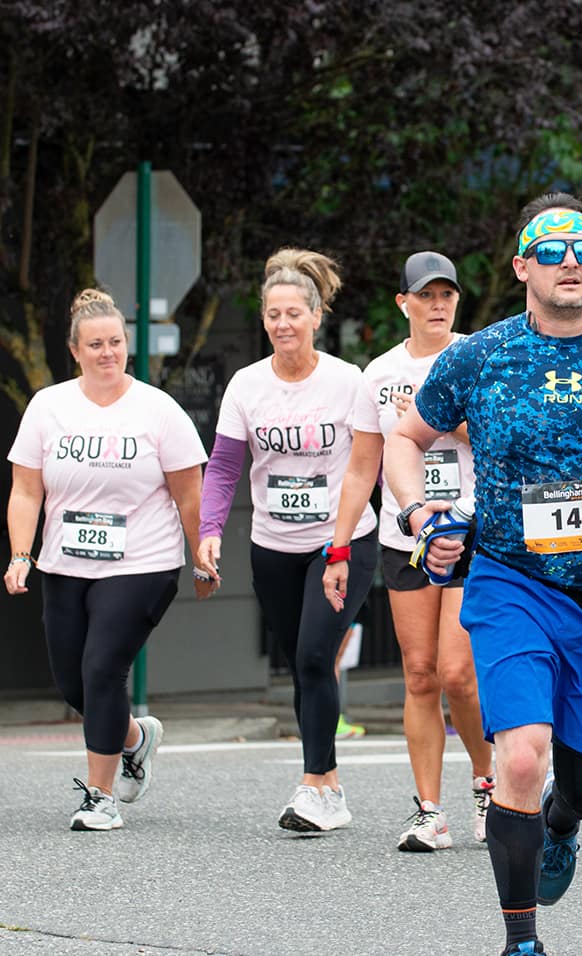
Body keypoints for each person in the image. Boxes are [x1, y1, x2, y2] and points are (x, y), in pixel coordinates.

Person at [383, 194, 582, 956]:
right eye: (551, 247)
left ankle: (563, 824)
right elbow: (406, 438)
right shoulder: (480, 356)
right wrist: (420, 515)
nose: (569, 260)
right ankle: (521, 941)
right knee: (521, 754)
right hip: (510, 581)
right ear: (523, 264)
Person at [5, 289, 206, 831]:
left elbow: (191, 494)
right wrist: (21, 554)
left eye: (115, 342)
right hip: (66, 563)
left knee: (101, 669)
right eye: (95, 344)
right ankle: (137, 739)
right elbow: (26, 491)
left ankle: (100, 796)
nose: (107, 353)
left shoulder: (157, 410)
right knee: (75, 683)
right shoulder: (48, 407)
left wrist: (202, 555)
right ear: (75, 349)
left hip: (142, 561)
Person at [194, 248, 380, 834]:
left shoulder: (348, 380)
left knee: (313, 655)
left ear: (316, 316)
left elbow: (364, 468)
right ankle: (326, 785)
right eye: (272, 314)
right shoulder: (247, 386)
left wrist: (342, 545)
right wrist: (209, 531)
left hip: (342, 539)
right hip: (273, 544)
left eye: (293, 313)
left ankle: (315, 785)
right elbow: (225, 468)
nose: (282, 324)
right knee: (303, 667)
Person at [322, 250, 495, 852]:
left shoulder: (479, 355)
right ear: (405, 304)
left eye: (448, 295)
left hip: (473, 530)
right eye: (427, 295)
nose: (439, 305)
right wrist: (339, 547)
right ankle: (429, 811)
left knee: (458, 673)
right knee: (420, 675)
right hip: (406, 536)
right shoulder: (378, 374)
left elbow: (508, 437)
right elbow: (361, 467)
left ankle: (487, 778)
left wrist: (433, 423)